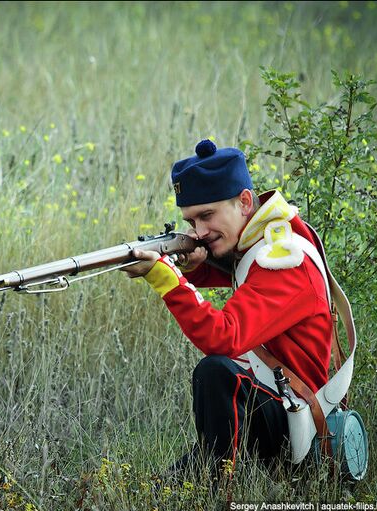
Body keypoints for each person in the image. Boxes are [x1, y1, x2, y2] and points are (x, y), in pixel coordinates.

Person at [122, 139, 333, 480]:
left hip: (300, 427)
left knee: (218, 371)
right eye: (191, 221)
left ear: (245, 202)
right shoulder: (261, 238)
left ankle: (219, 481)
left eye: (207, 215)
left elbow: (224, 337)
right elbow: (240, 271)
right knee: (164, 487)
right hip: (276, 402)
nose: (200, 233)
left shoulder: (284, 260)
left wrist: (167, 279)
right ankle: (209, 467)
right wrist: (194, 267)